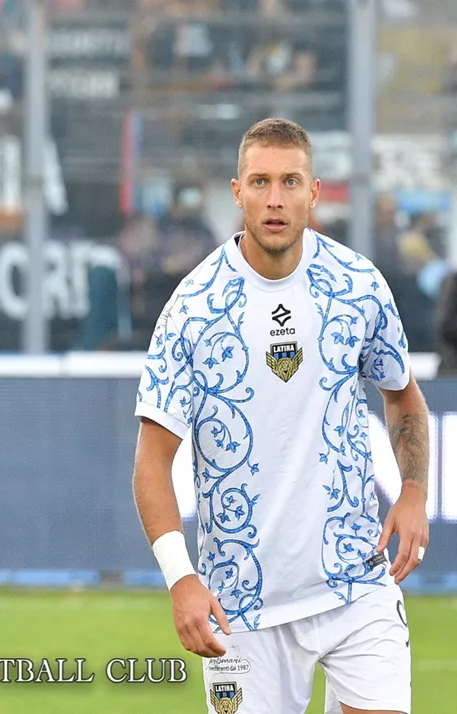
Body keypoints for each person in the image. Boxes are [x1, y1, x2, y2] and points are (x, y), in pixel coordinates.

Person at [132, 117, 429, 714]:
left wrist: (415, 491)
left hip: (356, 584)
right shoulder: (192, 308)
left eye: (290, 182)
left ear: (313, 192)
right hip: (240, 607)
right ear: (237, 192)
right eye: (260, 182)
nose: (275, 199)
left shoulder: (358, 285)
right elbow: (151, 463)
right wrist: (180, 578)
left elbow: (402, 395)